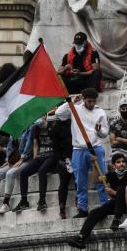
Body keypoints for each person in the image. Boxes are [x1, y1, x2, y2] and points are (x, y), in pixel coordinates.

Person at [54, 88, 109, 217]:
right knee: (80, 180)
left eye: (93, 101)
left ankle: (105, 205)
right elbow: (58, 113)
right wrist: (71, 102)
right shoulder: (75, 109)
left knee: (101, 178)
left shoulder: (100, 111)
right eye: (89, 101)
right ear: (83, 99)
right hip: (78, 149)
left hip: (95, 147)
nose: (91, 104)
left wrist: (98, 131)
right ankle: (82, 209)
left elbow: (105, 132)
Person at [67, 152, 127, 249]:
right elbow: (96, 179)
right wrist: (94, 165)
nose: (121, 164)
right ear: (113, 166)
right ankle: (81, 237)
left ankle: (117, 219)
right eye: (118, 162)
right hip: (114, 204)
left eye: (123, 161)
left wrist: (114, 193)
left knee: (122, 188)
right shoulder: (111, 175)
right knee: (94, 212)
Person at [0, 123, 35, 214]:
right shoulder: (15, 131)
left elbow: (29, 144)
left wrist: (22, 158)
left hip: (26, 160)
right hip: (15, 160)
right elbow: (9, 147)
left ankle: (6, 203)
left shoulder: (30, 128)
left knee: (10, 173)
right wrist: (8, 160)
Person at [16, 115, 58, 211]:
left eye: (40, 116)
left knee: (42, 171)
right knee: (24, 172)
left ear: (45, 116)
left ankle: (42, 200)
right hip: (41, 156)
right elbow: (35, 145)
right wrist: (35, 159)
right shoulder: (35, 128)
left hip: (52, 155)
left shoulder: (52, 126)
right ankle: (24, 201)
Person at [48, 110, 75, 219]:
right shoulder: (55, 128)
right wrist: (61, 159)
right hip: (63, 158)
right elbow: (55, 147)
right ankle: (62, 207)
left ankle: (79, 202)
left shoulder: (73, 124)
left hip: (75, 155)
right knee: (63, 182)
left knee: (78, 180)